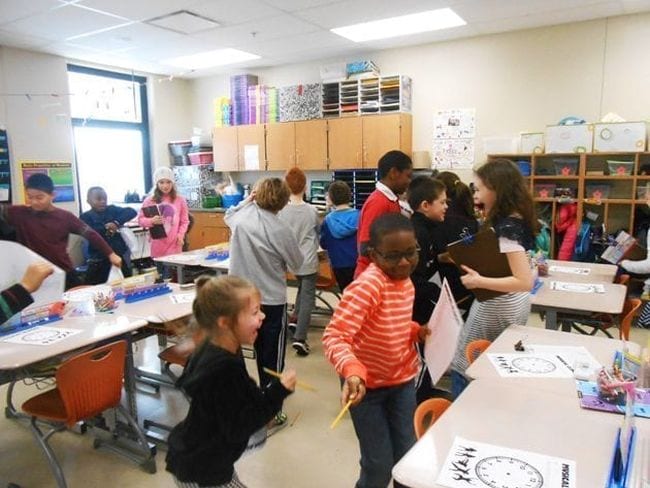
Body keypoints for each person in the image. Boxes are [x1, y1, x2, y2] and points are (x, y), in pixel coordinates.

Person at [323, 213, 430, 488]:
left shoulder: (404, 279)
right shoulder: (368, 286)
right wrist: (352, 371)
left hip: (401, 381)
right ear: (373, 255)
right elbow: (334, 335)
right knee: (379, 464)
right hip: (366, 388)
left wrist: (414, 331)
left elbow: (390, 321)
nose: (404, 261)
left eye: (410, 252)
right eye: (393, 256)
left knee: (407, 456)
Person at [166, 275, 296, 488]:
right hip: (204, 468)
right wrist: (278, 391)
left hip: (198, 457)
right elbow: (240, 426)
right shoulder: (225, 368)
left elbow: (235, 404)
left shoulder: (215, 348)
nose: (263, 316)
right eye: (255, 312)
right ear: (225, 322)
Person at [449, 159, 537, 398]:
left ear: (496, 189)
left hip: (498, 304)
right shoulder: (518, 218)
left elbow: (524, 280)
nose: (475, 195)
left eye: (478, 189)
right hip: (511, 303)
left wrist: (479, 281)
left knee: (467, 366)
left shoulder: (507, 226)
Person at [225, 178, 303, 423]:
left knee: (236, 352)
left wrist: (248, 199)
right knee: (270, 357)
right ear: (283, 201)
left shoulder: (240, 218)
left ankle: (239, 402)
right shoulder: (281, 229)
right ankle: (270, 410)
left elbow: (229, 213)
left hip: (238, 299)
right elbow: (297, 263)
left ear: (256, 195)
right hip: (269, 299)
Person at [0, 173, 121, 290]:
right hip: (34, 275)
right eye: (30, 197)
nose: (34, 202)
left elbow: (90, 233)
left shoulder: (65, 217)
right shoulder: (18, 213)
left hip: (62, 272)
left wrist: (111, 254)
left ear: (53, 195)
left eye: (39, 197)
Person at [278, 168, 320, 357]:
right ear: (305, 187)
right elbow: (317, 233)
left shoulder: (280, 211)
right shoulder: (312, 211)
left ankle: (294, 319)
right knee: (308, 297)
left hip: (287, 259)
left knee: (301, 289)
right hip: (308, 259)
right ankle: (300, 339)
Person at [355, 150, 413, 278]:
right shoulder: (379, 202)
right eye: (408, 176)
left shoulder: (392, 200)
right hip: (372, 276)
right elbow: (365, 247)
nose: (409, 182)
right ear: (393, 173)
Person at [434, 171, 479, 308]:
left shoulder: (443, 218)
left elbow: (441, 252)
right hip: (471, 279)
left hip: (452, 282)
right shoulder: (469, 215)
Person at [138, 167, 190, 280]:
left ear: (173, 183)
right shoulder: (149, 201)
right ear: (156, 183)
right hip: (158, 246)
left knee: (173, 278)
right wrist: (151, 221)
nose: (165, 186)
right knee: (163, 278)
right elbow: (140, 220)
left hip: (175, 245)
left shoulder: (180, 200)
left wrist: (180, 235)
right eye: (161, 182)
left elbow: (185, 221)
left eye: (168, 182)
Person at [80, 186, 137, 284]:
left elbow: (131, 211)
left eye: (104, 199)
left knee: (127, 285)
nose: (102, 201)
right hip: (98, 260)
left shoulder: (112, 209)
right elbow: (92, 233)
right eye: (98, 199)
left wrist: (116, 223)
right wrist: (107, 228)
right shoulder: (85, 217)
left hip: (118, 257)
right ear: (88, 201)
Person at [320, 180, 359, 291]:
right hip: (357, 263)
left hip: (338, 264)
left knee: (346, 294)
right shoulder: (360, 216)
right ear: (350, 195)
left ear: (331, 198)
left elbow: (324, 244)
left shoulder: (328, 220)